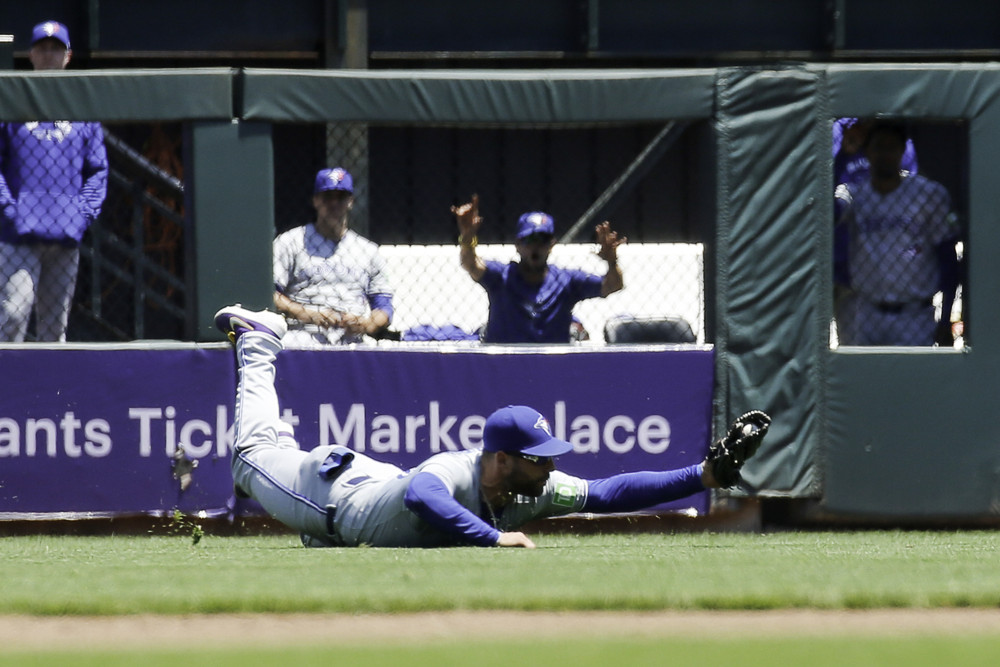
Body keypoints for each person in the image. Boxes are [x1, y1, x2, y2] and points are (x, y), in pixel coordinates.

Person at [213, 303, 771, 548]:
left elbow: (610, 491)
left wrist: (705, 474)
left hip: (367, 485)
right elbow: (425, 498)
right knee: (251, 456)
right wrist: (494, 537)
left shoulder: (530, 487)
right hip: (331, 498)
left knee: (270, 455)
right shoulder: (455, 471)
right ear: (501, 459)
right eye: (539, 456)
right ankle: (261, 341)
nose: (550, 465)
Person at [0, 21, 108, 342]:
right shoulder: (12, 100)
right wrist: (9, 210)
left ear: (68, 55)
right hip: (16, 235)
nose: (49, 55)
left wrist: (82, 214)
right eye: (42, 49)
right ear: (30, 54)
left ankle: (50, 393)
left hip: (64, 237)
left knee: (54, 329)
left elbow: (97, 170)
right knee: (11, 318)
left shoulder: (81, 108)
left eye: (56, 49)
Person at [834, 121, 960, 347]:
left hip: (914, 314)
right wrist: (843, 155)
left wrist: (945, 319)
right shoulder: (854, 194)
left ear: (902, 151)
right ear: (868, 152)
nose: (885, 154)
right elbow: (828, 213)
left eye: (891, 147)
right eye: (878, 147)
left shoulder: (928, 195)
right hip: (866, 311)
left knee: (912, 381)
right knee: (865, 380)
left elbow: (949, 261)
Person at [451, 194, 625, 344]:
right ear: (518, 245)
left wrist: (611, 261)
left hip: (550, 367)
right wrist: (467, 237)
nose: (535, 247)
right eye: (529, 240)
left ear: (551, 245)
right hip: (504, 365)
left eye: (542, 240)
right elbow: (471, 264)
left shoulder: (567, 281)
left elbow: (612, 286)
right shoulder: (502, 277)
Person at [272, 167, 394, 347]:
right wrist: (306, 313)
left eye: (341, 197)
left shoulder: (368, 250)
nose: (334, 203)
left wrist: (366, 324)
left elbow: (384, 307)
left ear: (350, 201)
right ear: (315, 201)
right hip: (303, 332)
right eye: (327, 197)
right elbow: (270, 295)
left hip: (353, 337)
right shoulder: (290, 242)